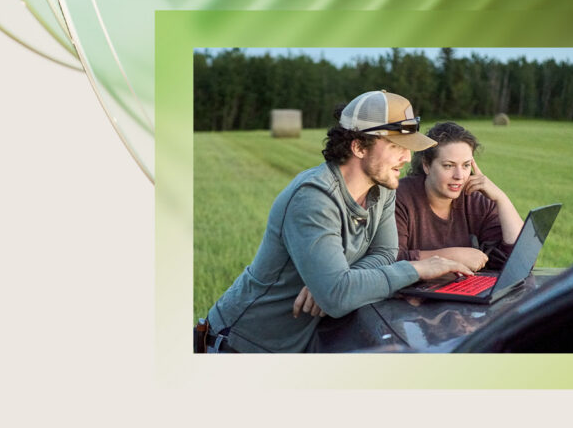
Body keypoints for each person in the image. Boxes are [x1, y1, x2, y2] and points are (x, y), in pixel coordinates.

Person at [198, 91, 474, 353]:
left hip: (295, 347)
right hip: (242, 346)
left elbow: (385, 253)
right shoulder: (314, 198)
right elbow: (338, 296)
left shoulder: (384, 189)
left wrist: (342, 282)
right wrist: (416, 269)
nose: (407, 158)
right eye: (396, 146)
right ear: (358, 147)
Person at [395, 122, 524, 272]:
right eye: (449, 166)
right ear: (427, 165)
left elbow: (519, 262)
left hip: (463, 291)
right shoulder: (400, 197)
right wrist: (452, 256)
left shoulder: (475, 199)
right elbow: (390, 261)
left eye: (466, 165)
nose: (459, 176)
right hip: (413, 293)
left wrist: (502, 200)